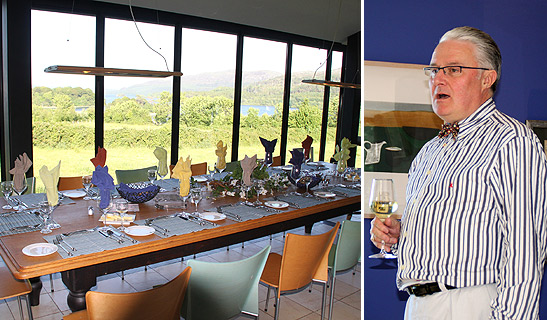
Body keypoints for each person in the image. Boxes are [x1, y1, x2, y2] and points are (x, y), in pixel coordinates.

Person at [370, 26, 547, 319]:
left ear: (487, 78)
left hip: (470, 306)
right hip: (418, 304)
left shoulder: (512, 141)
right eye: (435, 70)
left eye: (452, 69)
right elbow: (453, 239)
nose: (438, 78)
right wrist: (400, 237)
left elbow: (525, 257)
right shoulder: (429, 152)